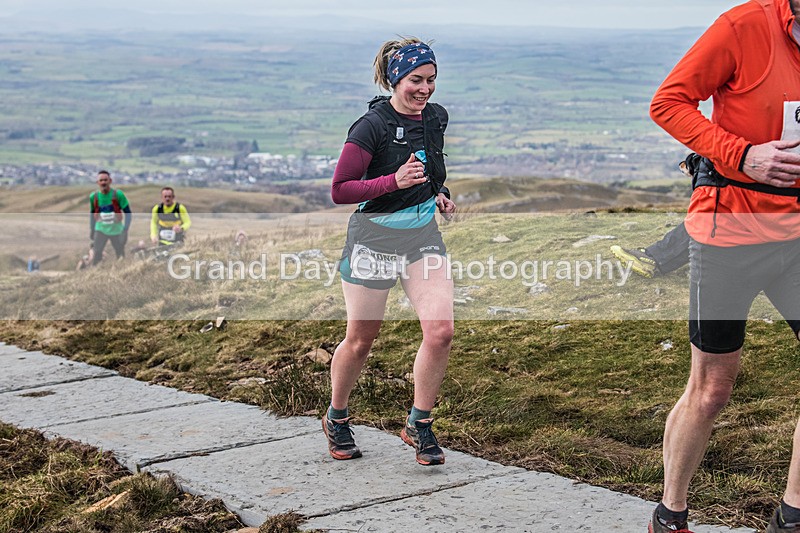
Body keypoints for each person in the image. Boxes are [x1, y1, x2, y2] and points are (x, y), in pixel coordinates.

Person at [648, 0, 800, 531]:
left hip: (797, 235)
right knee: (712, 388)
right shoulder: (743, 26)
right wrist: (743, 155)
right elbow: (668, 103)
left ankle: (792, 515)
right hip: (729, 235)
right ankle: (670, 513)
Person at [323, 37, 456, 466]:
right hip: (373, 241)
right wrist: (392, 183)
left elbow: (430, 169)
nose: (425, 88)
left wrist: (439, 194)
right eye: (416, 79)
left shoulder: (435, 117)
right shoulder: (371, 126)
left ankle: (419, 423)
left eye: (431, 79)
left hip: (421, 238)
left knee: (441, 332)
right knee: (361, 340)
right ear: (395, 79)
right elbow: (341, 190)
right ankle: (337, 416)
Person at [89, 170, 132, 265]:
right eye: (101, 180)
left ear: (110, 181)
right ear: (97, 182)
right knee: (97, 254)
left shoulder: (118, 195)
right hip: (100, 229)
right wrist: (92, 229)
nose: (103, 182)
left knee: (120, 255)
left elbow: (128, 213)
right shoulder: (94, 197)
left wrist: (125, 230)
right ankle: (96, 272)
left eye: (105, 180)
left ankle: (122, 271)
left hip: (117, 230)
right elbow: (92, 214)